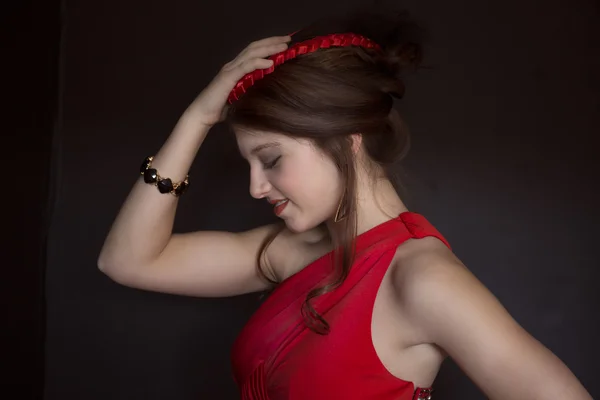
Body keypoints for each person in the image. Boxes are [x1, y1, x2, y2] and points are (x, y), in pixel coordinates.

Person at [97, 7, 593, 400]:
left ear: (345, 140)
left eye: (270, 159)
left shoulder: (421, 277)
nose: (255, 187)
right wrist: (197, 119)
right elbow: (128, 261)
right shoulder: (295, 250)